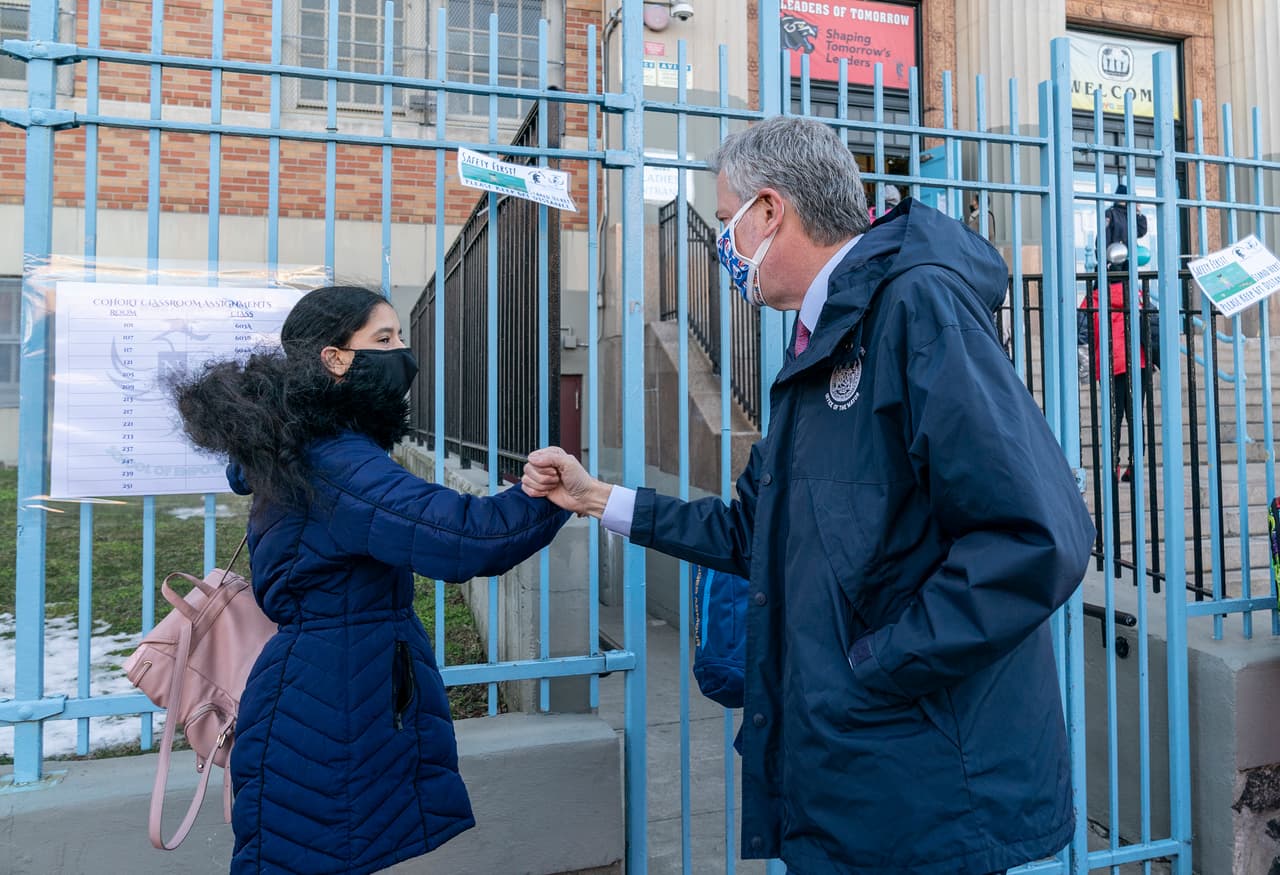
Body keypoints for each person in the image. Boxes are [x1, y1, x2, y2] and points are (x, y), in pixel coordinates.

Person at [524, 116, 1095, 875]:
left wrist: (876, 667)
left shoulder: (915, 308)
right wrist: (599, 498)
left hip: (919, 793)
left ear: (771, 210)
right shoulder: (819, 338)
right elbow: (754, 530)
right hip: (848, 782)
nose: (722, 243)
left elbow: (1035, 535)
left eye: (726, 222)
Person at [169, 285, 569, 874]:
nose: (401, 352)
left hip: (337, 688)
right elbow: (462, 536)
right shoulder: (334, 459)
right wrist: (554, 495)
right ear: (334, 358)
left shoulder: (309, 443)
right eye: (383, 339)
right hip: (327, 702)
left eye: (400, 336)